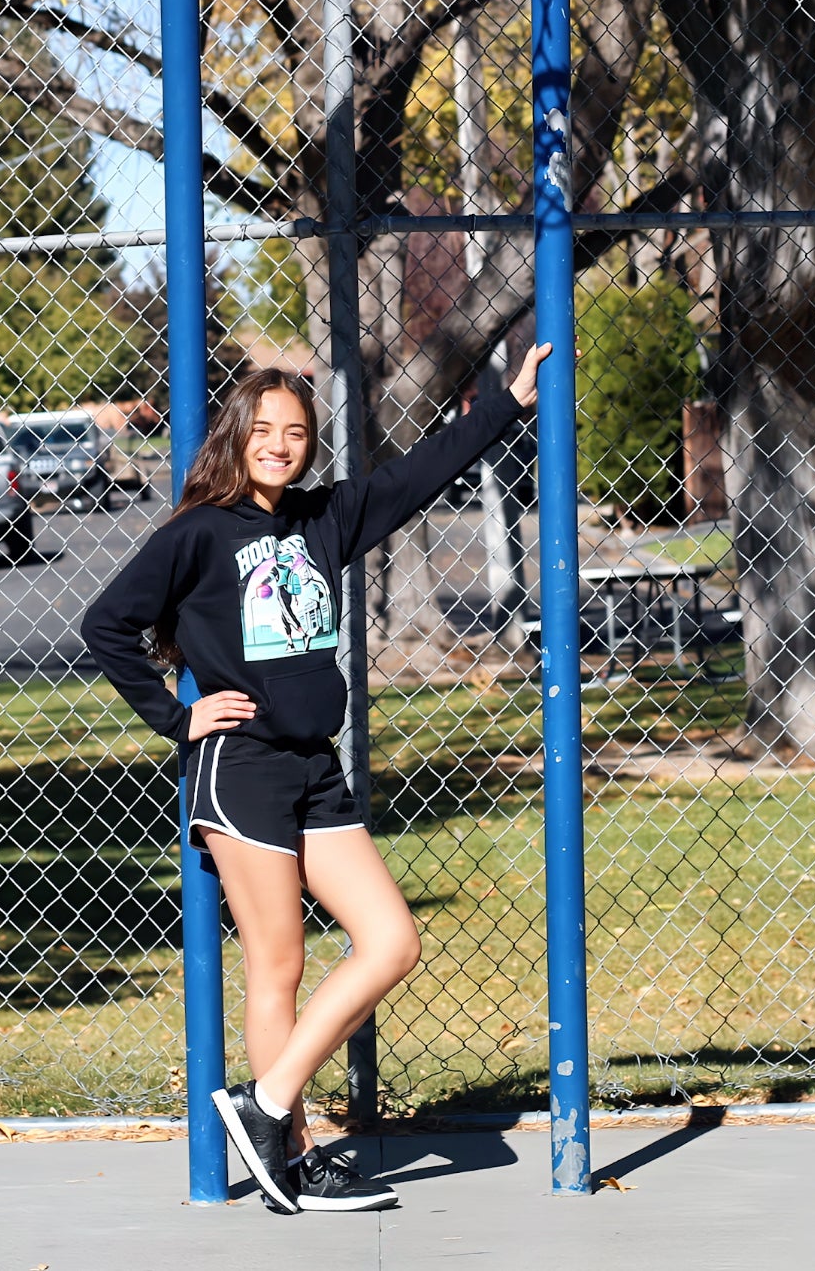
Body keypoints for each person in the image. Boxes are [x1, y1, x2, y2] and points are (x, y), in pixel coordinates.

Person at [82, 343, 549, 1215]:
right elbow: (108, 623)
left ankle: (262, 1106)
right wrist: (175, 716)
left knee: (391, 941)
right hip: (242, 771)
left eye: (294, 433)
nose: (279, 445)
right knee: (279, 965)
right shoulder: (195, 532)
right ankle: (287, 1155)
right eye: (262, 430)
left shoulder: (321, 519)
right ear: (235, 437)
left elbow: (414, 478)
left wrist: (502, 407)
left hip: (314, 772)